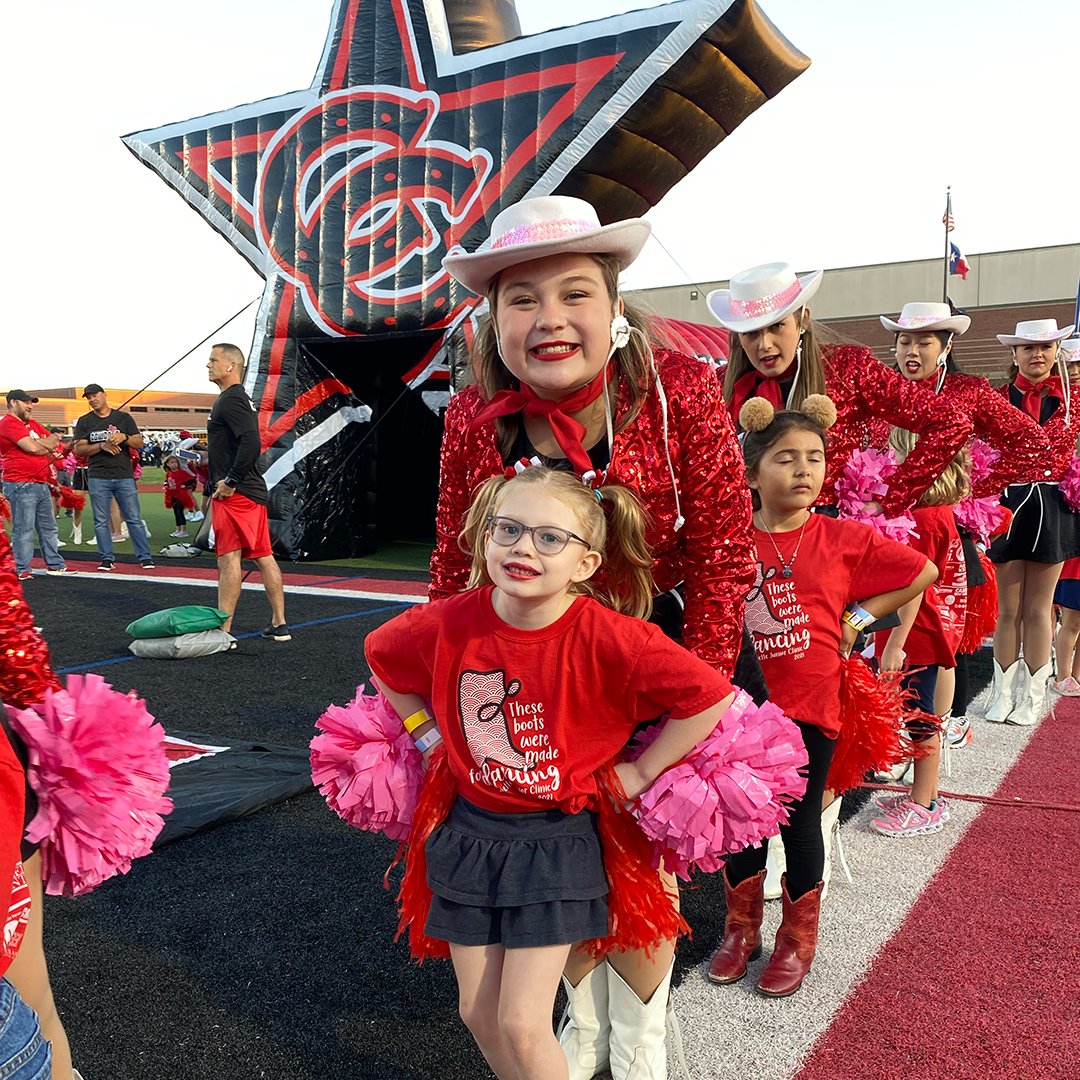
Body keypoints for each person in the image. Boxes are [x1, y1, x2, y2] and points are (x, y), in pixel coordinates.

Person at [434, 195, 756, 1076]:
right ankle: (583, 1019)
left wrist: (700, 714)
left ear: (614, 306)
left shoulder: (678, 389)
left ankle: (641, 1042)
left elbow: (726, 554)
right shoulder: (472, 416)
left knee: (637, 861)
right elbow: (451, 568)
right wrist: (442, 707)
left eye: (574, 293)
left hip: (658, 655)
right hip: (524, 669)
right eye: (521, 299)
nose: (549, 319)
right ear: (493, 320)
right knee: (550, 858)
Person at [365, 465, 736, 1080]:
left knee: (522, 1022)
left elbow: (710, 694)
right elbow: (381, 655)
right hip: (467, 835)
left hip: (555, 844)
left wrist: (642, 770)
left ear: (586, 564)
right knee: (478, 1013)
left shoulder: (611, 635)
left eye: (549, 538)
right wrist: (423, 732)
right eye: (506, 530)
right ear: (484, 540)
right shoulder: (451, 619)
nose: (522, 548)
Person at [708, 397, 935, 995]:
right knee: (744, 825)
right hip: (741, 715)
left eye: (815, 457)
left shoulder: (840, 536)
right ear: (752, 472)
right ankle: (740, 930)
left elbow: (921, 571)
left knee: (801, 827)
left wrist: (858, 619)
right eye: (786, 460)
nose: (805, 470)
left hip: (813, 707)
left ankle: (797, 940)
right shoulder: (729, 541)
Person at [871, 301, 1060, 749]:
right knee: (889, 636)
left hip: (946, 529)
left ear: (946, 345)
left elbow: (1034, 444)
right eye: (904, 341)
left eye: (924, 341)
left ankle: (940, 731)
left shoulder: (968, 390)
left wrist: (972, 488)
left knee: (941, 634)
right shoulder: (881, 390)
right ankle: (901, 735)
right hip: (891, 530)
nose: (912, 350)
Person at [707, 264, 973, 514]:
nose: (765, 344)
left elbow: (951, 423)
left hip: (831, 536)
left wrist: (893, 497)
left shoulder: (848, 368)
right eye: (751, 333)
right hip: (750, 538)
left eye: (777, 326)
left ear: (803, 320)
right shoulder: (716, 386)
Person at [869, 430, 969, 837]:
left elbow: (914, 582)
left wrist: (894, 643)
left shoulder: (925, 517)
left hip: (915, 632)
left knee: (919, 716)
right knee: (915, 711)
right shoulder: (934, 509)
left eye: (895, 450)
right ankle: (920, 794)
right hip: (921, 628)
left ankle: (924, 801)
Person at [984, 319, 1078, 726]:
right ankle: (1001, 693)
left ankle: (1033, 696)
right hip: (1009, 505)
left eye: (1044, 347)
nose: (1036, 354)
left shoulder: (1076, 400)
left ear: (1056, 351)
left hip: (1055, 505)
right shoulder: (994, 397)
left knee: (1041, 610)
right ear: (1014, 354)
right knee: (1008, 610)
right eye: (1027, 348)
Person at [206, 343, 289, 641]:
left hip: (237, 495)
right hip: (249, 493)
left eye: (214, 360)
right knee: (263, 556)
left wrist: (229, 481)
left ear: (231, 366)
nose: (208, 365)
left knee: (228, 559)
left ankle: (223, 630)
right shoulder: (235, 399)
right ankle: (279, 623)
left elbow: (252, 442)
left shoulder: (231, 400)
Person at [72, 383, 154, 572]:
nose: (92, 400)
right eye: (88, 397)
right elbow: (80, 449)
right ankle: (107, 559)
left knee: (133, 517)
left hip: (123, 475)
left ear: (104, 395)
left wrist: (123, 437)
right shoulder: (85, 421)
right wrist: (102, 445)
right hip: (98, 476)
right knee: (101, 520)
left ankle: (145, 557)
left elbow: (139, 441)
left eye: (95, 395)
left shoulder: (123, 418)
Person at [0, 391, 73, 579]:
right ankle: (22, 567)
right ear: (13, 402)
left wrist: (42, 444)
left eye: (31, 403)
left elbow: (55, 443)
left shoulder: (32, 424)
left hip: (41, 482)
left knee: (49, 526)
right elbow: (32, 447)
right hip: (20, 482)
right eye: (25, 403)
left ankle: (55, 564)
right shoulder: (8, 423)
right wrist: (42, 445)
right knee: (23, 528)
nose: (30, 406)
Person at [162, 454, 199, 537]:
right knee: (176, 513)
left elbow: (192, 479)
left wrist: (185, 485)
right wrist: (165, 485)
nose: (174, 464)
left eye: (175, 462)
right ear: (167, 464)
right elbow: (167, 481)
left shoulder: (182, 472)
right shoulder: (169, 473)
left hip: (180, 496)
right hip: (173, 496)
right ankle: (178, 530)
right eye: (172, 462)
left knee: (180, 512)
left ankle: (184, 531)